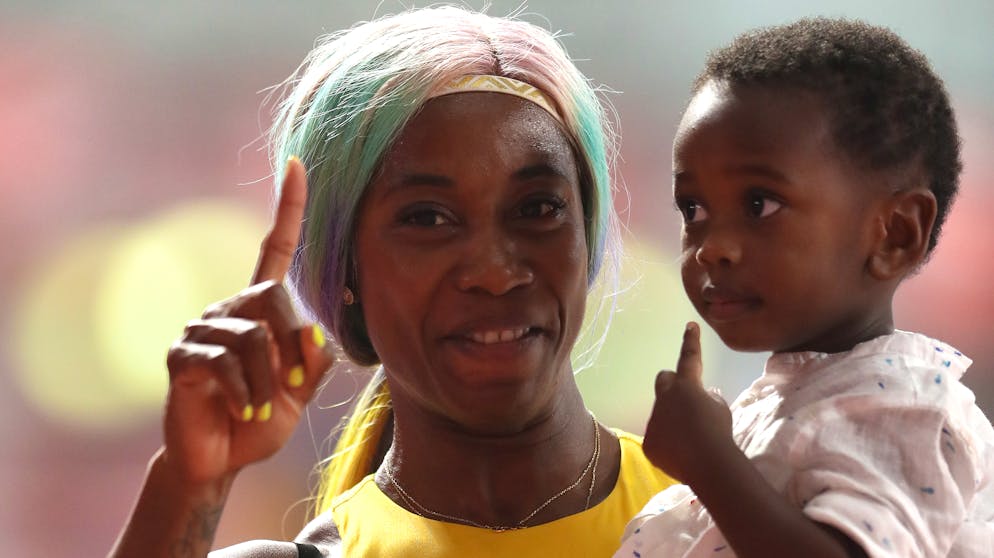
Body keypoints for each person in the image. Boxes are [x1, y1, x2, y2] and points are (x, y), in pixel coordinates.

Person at [108, 6, 675, 558]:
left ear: (587, 236)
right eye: (427, 218)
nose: (496, 273)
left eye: (538, 208)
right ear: (344, 267)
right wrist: (188, 486)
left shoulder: (722, 510)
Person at [615, 17, 994, 558]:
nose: (711, 247)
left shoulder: (907, 414)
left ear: (895, 233)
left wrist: (709, 463)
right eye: (693, 208)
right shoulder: (806, 399)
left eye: (759, 205)